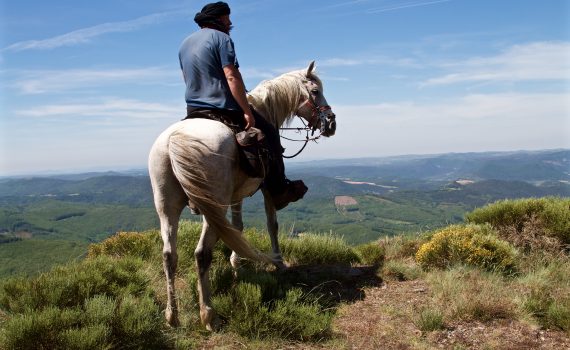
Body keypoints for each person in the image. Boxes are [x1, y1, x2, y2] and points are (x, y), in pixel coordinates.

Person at [178, 1, 307, 210]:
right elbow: (231, 76)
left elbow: (186, 77)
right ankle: (279, 191)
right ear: (219, 19)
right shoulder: (222, 38)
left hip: (193, 109)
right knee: (271, 135)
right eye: (228, 18)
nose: (230, 23)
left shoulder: (185, 43)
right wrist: (247, 112)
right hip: (222, 106)